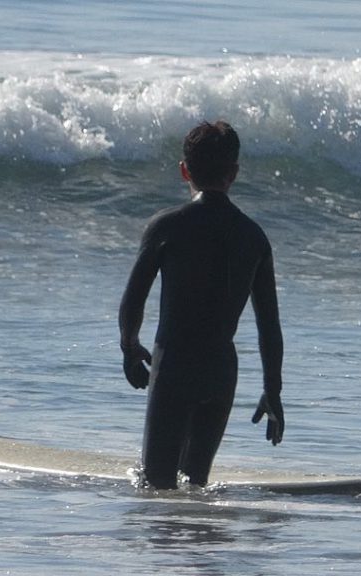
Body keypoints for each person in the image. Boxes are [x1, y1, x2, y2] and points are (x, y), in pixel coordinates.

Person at [118, 121, 285, 490]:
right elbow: (269, 326)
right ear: (234, 173)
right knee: (195, 484)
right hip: (221, 372)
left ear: (184, 170)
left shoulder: (167, 227)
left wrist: (129, 347)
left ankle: (169, 546)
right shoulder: (254, 237)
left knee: (157, 483)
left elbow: (133, 299)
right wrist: (273, 391)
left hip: (175, 367)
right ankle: (201, 547)